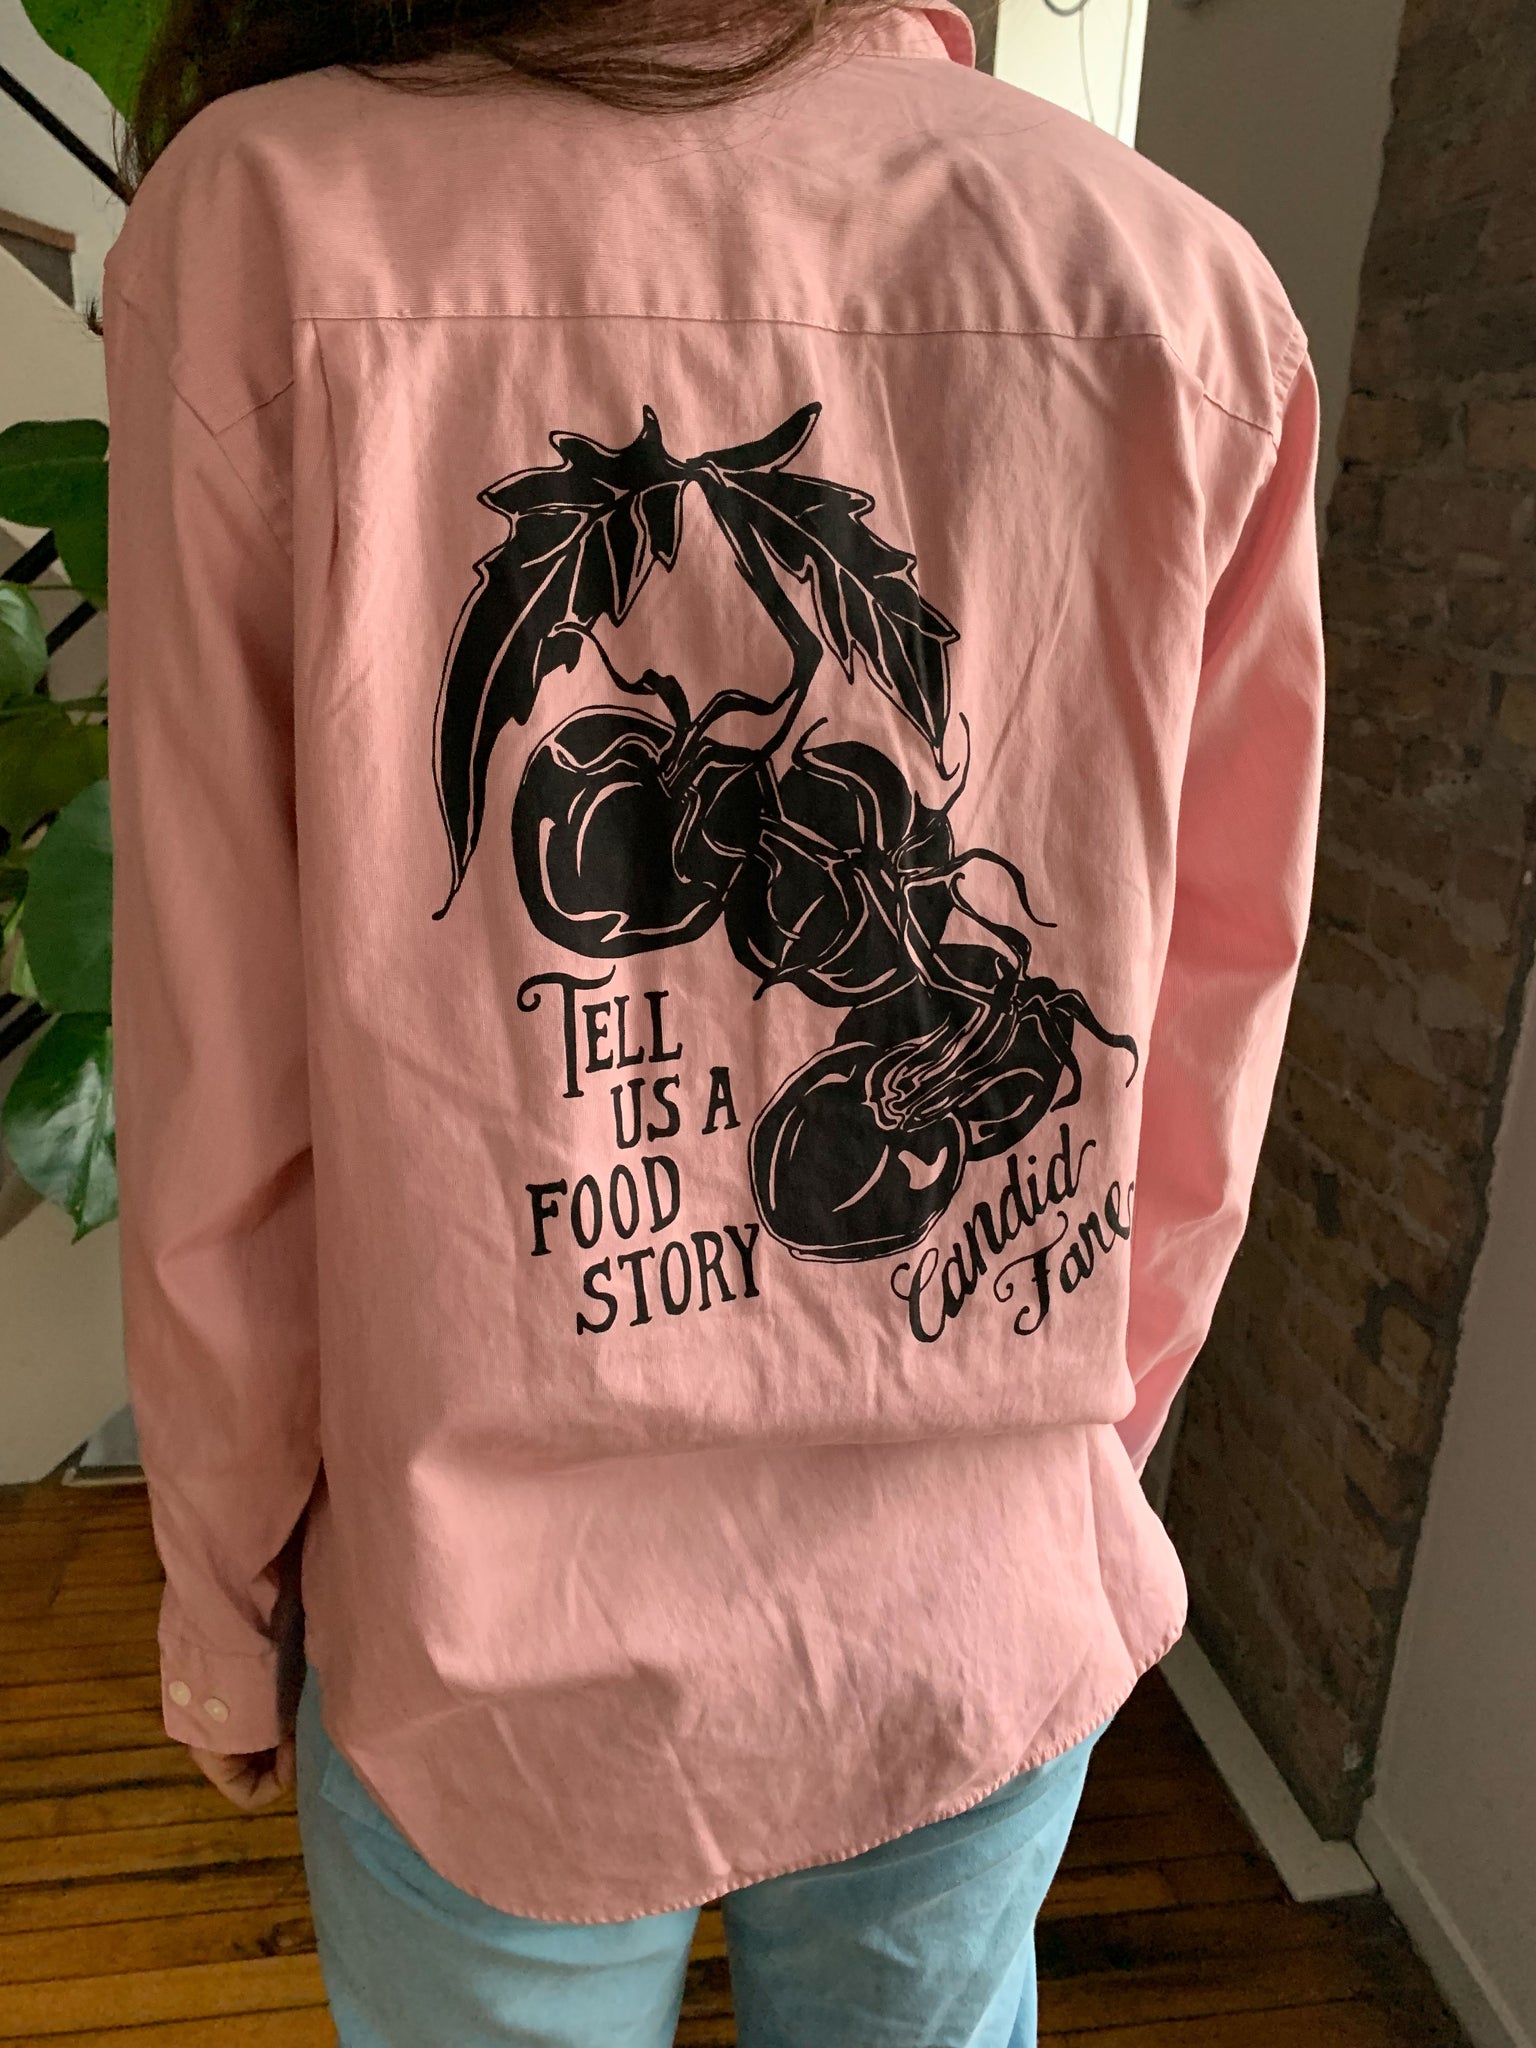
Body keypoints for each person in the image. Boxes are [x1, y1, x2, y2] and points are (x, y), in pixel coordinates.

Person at [103, 0, 1325, 2040]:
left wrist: (224, 1599)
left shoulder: (266, 225)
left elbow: (217, 1075)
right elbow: (1210, 1031)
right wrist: (1067, 1453)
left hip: (489, 1646)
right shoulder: (1177, 288)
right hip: (973, 1595)